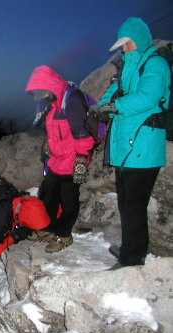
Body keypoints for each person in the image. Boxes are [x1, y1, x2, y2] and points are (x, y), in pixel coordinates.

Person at [89, 18, 170, 269]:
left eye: (127, 44)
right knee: (127, 204)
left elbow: (149, 97)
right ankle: (131, 248)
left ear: (140, 39)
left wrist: (116, 107)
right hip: (129, 147)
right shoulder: (128, 67)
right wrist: (100, 108)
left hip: (143, 147)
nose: (124, 49)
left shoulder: (156, 64)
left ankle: (132, 259)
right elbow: (115, 93)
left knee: (134, 206)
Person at [25, 65, 96, 253]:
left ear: (50, 86)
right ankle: (47, 230)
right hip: (57, 160)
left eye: (42, 92)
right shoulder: (54, 103)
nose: (42, 96)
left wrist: (81, 159)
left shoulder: (71, 101)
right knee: (48, 196)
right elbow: (54, 132)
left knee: (68, 201)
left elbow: (84, 133)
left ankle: (64, 235)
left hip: (73, 160)